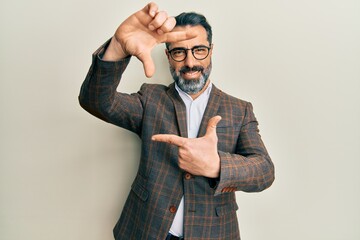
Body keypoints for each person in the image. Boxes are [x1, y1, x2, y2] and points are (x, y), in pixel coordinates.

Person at [79, 2, 275, 240]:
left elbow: (264, 170)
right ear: (168, 56)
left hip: (213, 233)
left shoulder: (239, 109)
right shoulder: (150, 99)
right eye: (179, 52)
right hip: (147, 230)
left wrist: (216, 165)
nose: (190, 63)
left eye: (199, 50)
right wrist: (118, 48)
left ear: (211, 51)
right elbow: (96, 101)